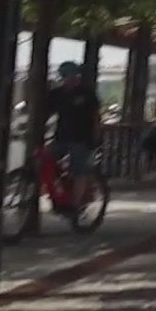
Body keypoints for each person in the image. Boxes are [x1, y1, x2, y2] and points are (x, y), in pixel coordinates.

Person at [45, 61, 101, 215]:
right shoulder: (56, 94)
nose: (73, 79)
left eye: (75, 76)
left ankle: (75, 205)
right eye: (69, 76)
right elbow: (46, 112)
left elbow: (96, 117)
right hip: (61, 136)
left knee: (79, 170)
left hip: (82, 138)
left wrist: (96, 138)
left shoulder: (87, 93)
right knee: (45, 160)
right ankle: (58, 192)